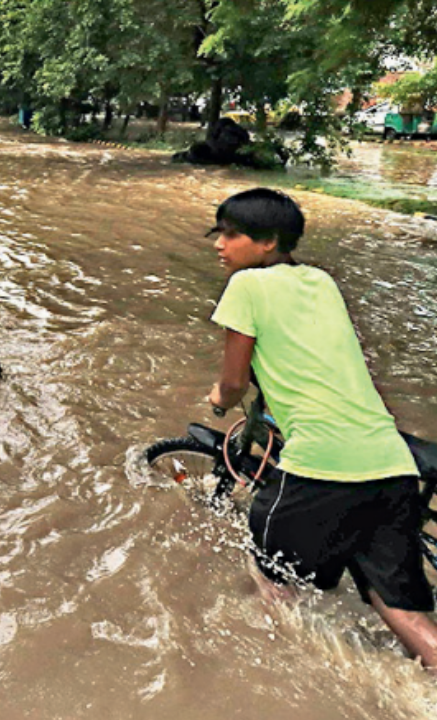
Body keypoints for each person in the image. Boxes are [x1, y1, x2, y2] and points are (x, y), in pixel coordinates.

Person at [206, 188, 437, 668]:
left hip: (321, 465)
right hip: (391, 465)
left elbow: (232, 382)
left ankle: (277, 671)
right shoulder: (321, 281)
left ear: (267, 243)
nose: (219, 245)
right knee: (401, 610)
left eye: (230, 235)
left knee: (270, 575)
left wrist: (219, 400)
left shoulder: (245, 286)